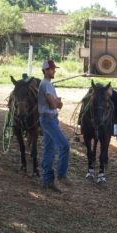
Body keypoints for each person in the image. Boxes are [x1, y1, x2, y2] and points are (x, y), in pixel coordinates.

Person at [38, 60, 71, 192]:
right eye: (51, 69)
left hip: (51, 119)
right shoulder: (45, 85)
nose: (54, 71)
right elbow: (53, 104)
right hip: (48, 119)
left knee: (49, 150)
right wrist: (57, 101)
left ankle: (47, 181)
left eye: (54, 69)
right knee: (65, 145)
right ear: (45, 70)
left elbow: (58, 104)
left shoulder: (48, 85)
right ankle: (62, 175)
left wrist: (56, 101)